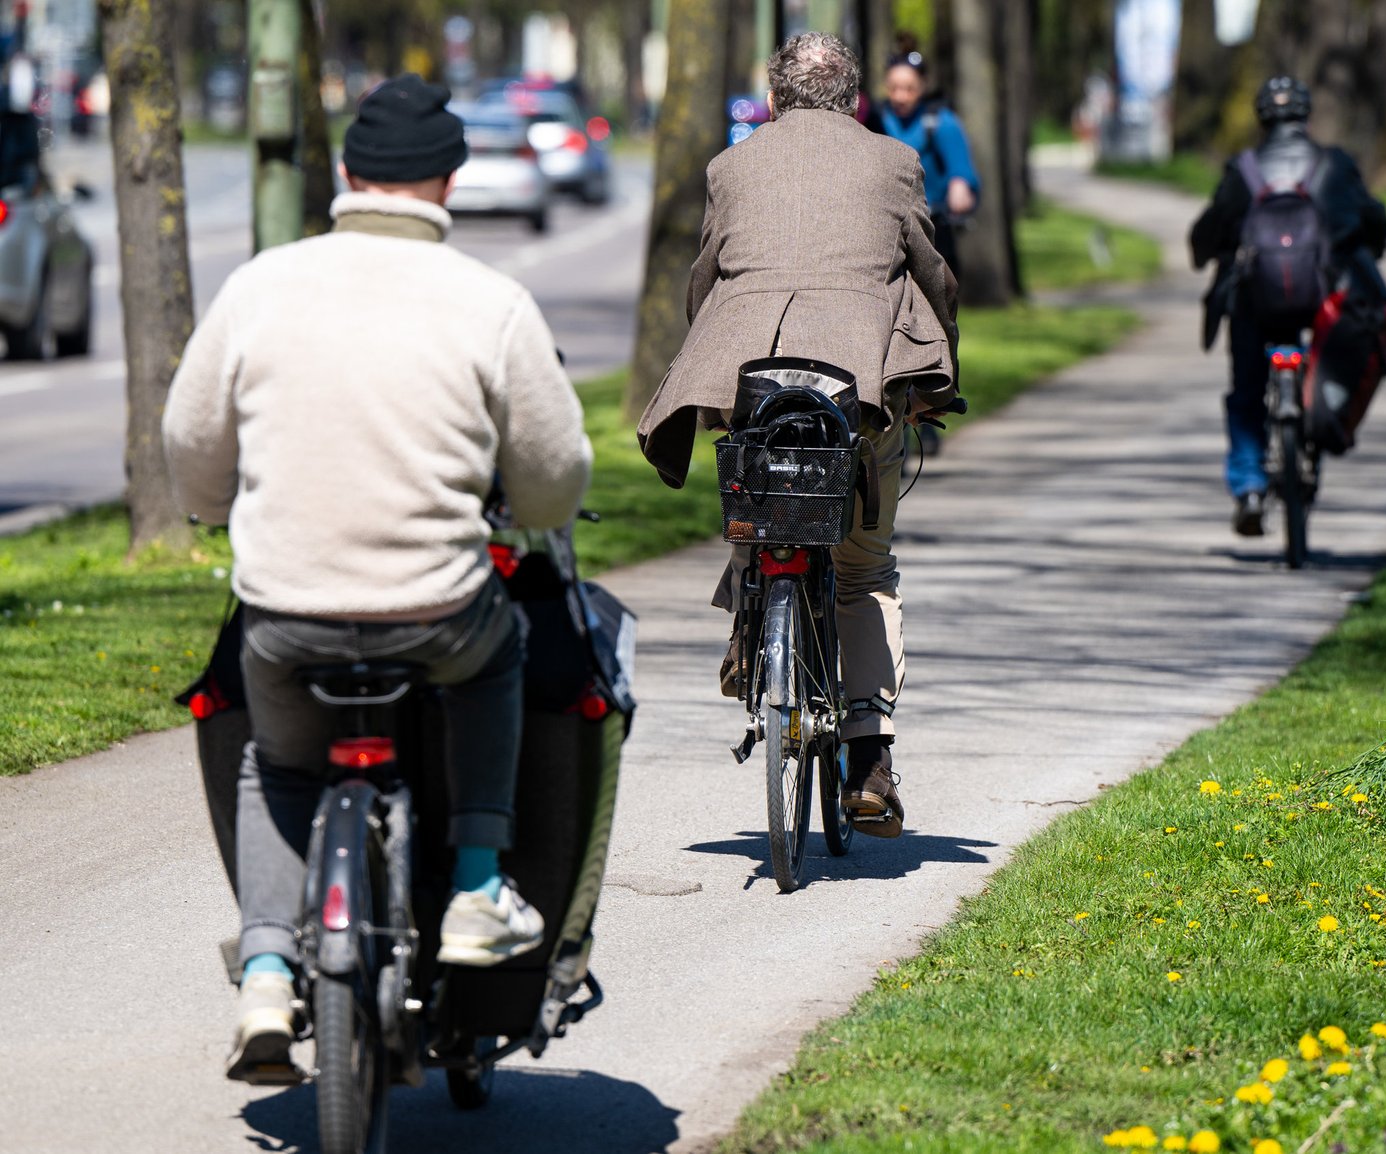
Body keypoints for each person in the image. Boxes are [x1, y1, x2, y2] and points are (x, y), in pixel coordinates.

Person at [162, 74, 593, 1084]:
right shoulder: (493, 302)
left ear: (347, 174)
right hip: (436, 610)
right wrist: (529, 510)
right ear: (448, 178)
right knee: (496, 664)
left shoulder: (261, 286)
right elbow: (553, 473)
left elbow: (189, 443)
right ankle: (480, 883)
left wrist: (216, 500)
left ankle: (268, 966)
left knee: (278, 764)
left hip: (287, 616)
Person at [637, 33, 957, 839]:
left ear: (774, 100)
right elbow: (931, 272)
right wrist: (937, 367)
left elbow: (706, 275)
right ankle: (870, 757)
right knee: (862, 569)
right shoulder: (893, 161)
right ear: (854, 99)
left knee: (759, 496)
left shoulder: (732, 165)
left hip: (754, 376)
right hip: (857, 390)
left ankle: (754, 625)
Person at [1190, 76, 1386, 536]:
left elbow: (1209, 230)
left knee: (1246, 394)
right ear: (1305, 116)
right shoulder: (1333, 166)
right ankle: (1317, 432)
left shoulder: (1243, 170)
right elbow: (1372, 218)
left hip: (1254, 301)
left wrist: (1206, 255)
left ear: (1261, 118)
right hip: (1319, 301)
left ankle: (1248, 487)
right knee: (1330, 361)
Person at [873, 45, 980, 273]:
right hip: (886, 229)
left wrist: (959, 185)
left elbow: (961, 169)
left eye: (909, 89)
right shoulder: (877, 119)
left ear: (923, 86)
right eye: (894, 88)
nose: (900, 96)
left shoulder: (940, 121)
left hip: (931, 228)